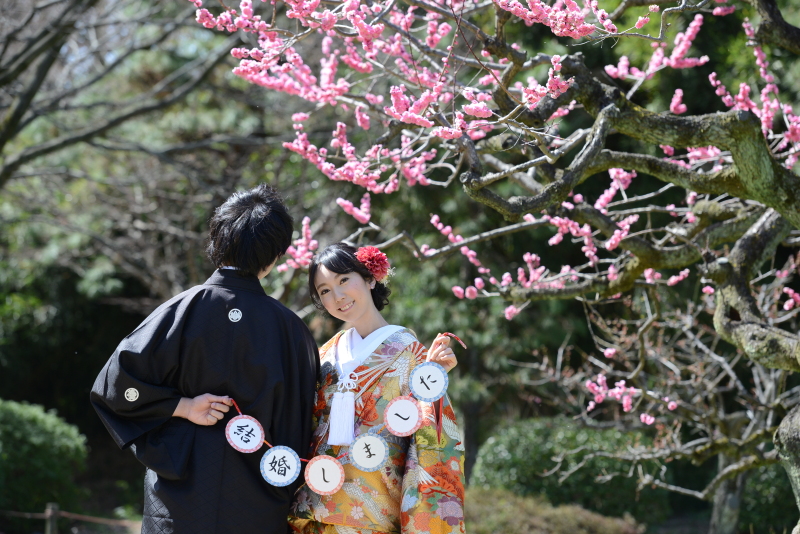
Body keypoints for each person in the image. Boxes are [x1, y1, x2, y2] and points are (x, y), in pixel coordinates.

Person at [91, 184, 319, 534]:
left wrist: (181, 406)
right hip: (256, 502)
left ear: (218, 241)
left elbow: (116, 386)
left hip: (179, 497)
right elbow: (301, 426)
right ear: (275, 256)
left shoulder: (180, 310)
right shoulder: (292, 330)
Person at [289, 242, 465, 534]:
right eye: (325, 290)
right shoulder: (323, 356)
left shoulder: (410, 354)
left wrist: (432, 381)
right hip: (315, 513)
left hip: (374, 518)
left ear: (370, 278)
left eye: (344, 280)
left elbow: (430, 440)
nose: (338, 296)